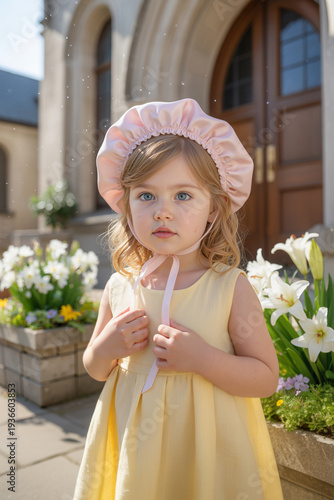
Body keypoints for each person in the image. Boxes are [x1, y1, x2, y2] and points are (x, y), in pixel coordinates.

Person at [73, 98, 283, 500]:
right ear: (126, 205)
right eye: (146, 196)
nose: (163, 212)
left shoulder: (229, 287)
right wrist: (105, 347)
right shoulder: (121, 286)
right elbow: (96, 368)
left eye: (183, 196)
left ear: (213, 209)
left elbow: (266, 378)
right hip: (136, 446)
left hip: (208, 447)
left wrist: (205, 359)